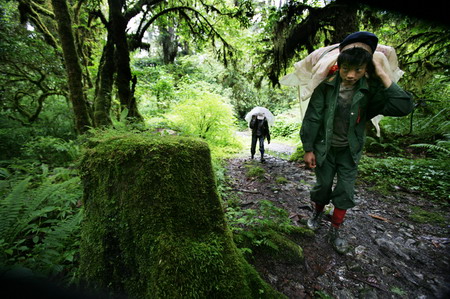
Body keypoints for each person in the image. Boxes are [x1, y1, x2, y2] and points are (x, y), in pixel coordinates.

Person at [300, 31, 413, 254]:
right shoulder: (326, 88)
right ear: (338, 66)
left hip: (349, 151)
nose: (351, 75)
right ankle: (317, 212)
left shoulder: (370, 92)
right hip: (325, 149)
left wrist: (381, 72)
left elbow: (403, 106)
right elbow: (312, 117)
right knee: (322, 186)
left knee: (345, 190)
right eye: (346, 69)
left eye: (358, 70)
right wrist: (308, 148)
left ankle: (335, 229)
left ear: (365, 70)